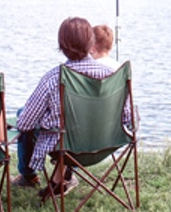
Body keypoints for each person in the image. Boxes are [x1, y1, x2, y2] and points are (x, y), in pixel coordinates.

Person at [12, 17, 132, 194]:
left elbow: (24, 124)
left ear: (61, 46)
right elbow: (128, 119)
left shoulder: (53, 78)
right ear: (91, 42)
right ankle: (62, 176)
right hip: (106, 144)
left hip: (67, 149)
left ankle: (29, 176)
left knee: (25, 115)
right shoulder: (113, 76)